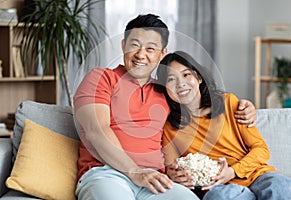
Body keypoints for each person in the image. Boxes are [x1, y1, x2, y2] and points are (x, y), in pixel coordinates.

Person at [73, 14, 256, 200]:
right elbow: (97, 131)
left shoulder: (166, 91)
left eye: (150, 48)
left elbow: (199, 108)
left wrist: (243, 107)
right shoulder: (101, 78)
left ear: (161, 54)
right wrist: (135, 172)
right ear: (123, 46)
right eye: (134, 45)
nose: (141, 54)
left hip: (156, 179)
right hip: (106, 173)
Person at [155, 51, 291, 200]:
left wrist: (232, 171)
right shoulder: (170, 127)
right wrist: (174, 176)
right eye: (171, 79)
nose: (181, 84)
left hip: (257, 175)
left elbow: (261, 149)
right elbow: (172, 168)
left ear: (198, 78)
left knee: (282, 187)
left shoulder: (229, 103)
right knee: (220, 196)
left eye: (186, 75)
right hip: (221, 187)